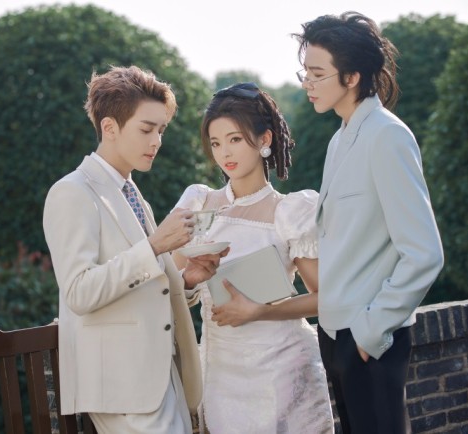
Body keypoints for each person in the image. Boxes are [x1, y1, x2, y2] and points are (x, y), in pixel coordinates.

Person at [42, 65, 228, 434]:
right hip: (123, 386)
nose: (157, 141)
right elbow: (79, 291)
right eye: (146, 129)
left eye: (161, 130)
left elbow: (146, 286)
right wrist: (155, 245)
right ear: (109, 127)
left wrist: (187, 280)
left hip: (161, 378)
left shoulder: (132, 195)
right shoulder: (72, 192)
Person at [292, 12, 444, 433]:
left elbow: (424, 253)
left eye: (318, 74)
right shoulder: (338, 139)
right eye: (305, 73)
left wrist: (370, 332)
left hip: (369, 341)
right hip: (335, 334)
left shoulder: (387, 136)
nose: (307, 83)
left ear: (352, 76)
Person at [172, 82, 334, 433]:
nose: (224, 153)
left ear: (264, 139)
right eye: (216, 143)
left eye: (235, 139)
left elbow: (327, 298)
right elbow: (167, 288)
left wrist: (260, 310)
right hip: (221, 375)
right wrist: (188, 281)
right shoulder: (198, 203)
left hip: (284, 372)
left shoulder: (290, 211)